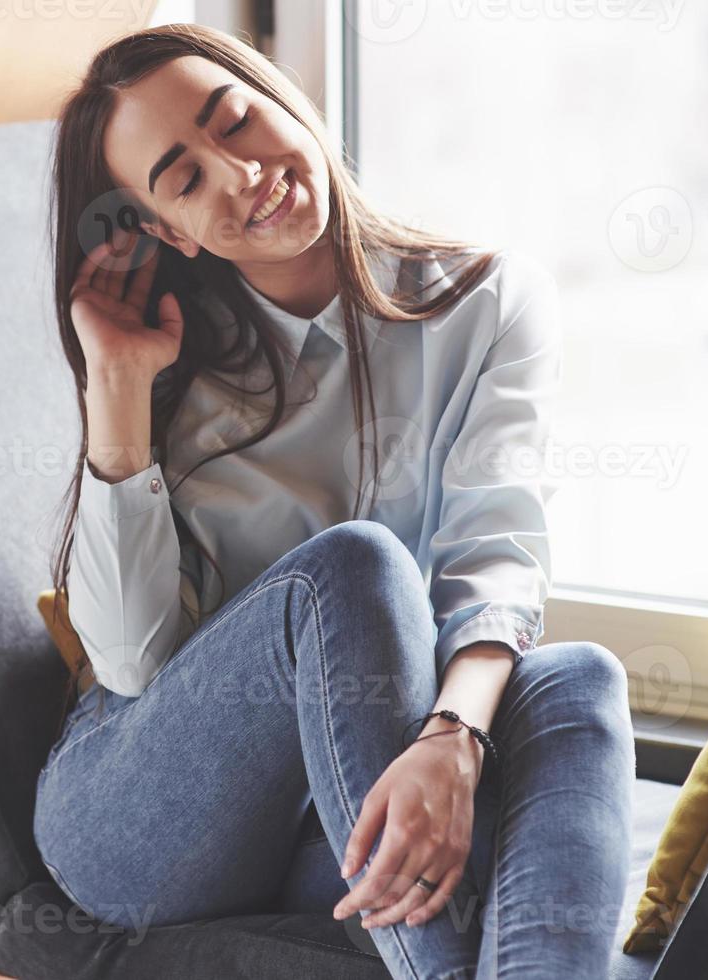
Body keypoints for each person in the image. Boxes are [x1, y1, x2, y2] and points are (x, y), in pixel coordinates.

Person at [34, 23, 635, 980]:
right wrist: (117, 390)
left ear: (283, 96)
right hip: (143, 816)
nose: (241, 174)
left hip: (333, 820)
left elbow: (496, 551)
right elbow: (131, 661)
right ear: (162, 230)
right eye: (186, 181)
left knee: (579, 680)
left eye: (237, 120)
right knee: (354, 565)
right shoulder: (173, 369)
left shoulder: (487, 303)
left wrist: (454, 738)